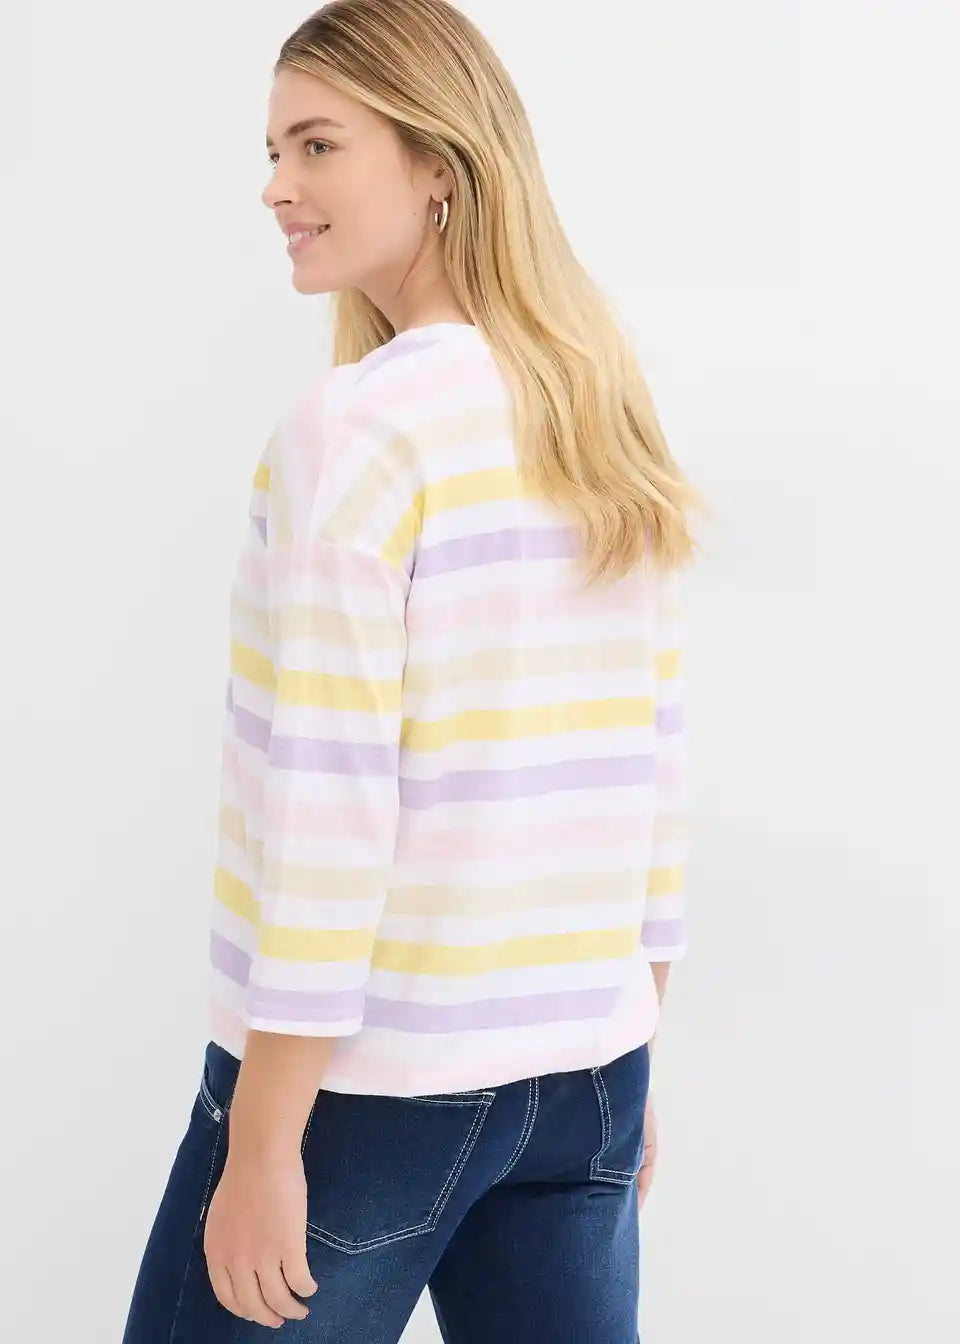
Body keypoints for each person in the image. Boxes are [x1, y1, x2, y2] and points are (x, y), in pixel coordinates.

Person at [121, 1, 699, 1340]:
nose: (277, 187)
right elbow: (653, 763)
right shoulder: (593, 406)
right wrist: (625, 1039)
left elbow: (330, 809)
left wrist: (266, 1142)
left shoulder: (361, 431)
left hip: (369, 1096)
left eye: (318, 145)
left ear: (441, 160)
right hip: (587, 1077)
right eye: (274, 151)